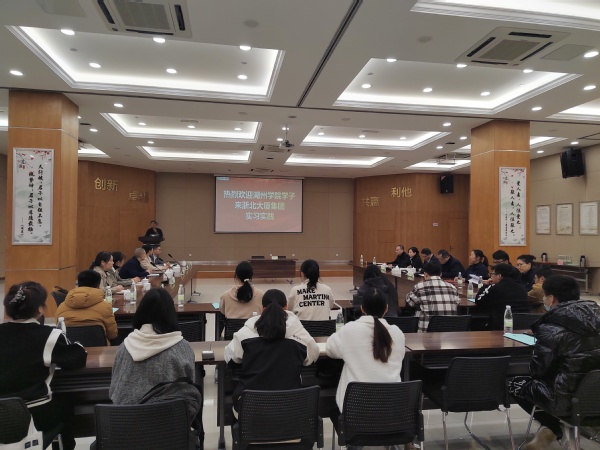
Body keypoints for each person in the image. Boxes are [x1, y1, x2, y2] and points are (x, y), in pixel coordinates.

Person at [508, 275, 600, 449]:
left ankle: (553, 426)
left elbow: (538, 371)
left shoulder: (551, 328)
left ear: (551, 298)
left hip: (566, 400)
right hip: (596, 395)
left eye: (544, 295)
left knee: (515, 383)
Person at [0, 282, 87, 450]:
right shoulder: (49, 336)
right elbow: (76, 359)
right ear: (40, 309)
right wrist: (77, 346)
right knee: (66, 406)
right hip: (34, 413)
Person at [224, 289, 319, 411]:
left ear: (262, 308)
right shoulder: (299, 334)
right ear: (286, 307)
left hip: (251, 409)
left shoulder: (246, 333)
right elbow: (313, 356)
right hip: (290, 408)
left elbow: (230, 357)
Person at [110, 288, 196, 405]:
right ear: (171, 313)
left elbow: (114, 389)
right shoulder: (182, 347)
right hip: (171, 414)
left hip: (126, 415)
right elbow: (190, 385)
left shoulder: (124, 347)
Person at [326, 287, 405, 411]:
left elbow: (330, 349)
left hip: (355, 409)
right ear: (386, 308)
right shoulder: (397, 333)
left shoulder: (350, 329)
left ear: (362, 308)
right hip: (391, 409)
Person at [56, 270, 119, 343]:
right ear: (98, 286)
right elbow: (112, 335)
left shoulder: (61, 307)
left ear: (78, 284)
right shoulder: (106, 307)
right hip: (100, 348)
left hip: (71, 348)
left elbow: (58, 330)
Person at [406, 262, 461, 332]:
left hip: (426, 332)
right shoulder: (452, 287)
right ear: (440, 274)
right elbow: (457, 302)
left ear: (425, 274)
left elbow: (410, 303)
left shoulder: (419, 287)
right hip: (449, 332)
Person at [474, 263, 529, 330]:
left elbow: (479, 300)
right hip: (523, 326)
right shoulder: (522, 288)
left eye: (492, 274)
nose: (491, 277)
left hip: (501, 326)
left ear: (499, 276)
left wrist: (485, 286)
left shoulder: (495, 288)